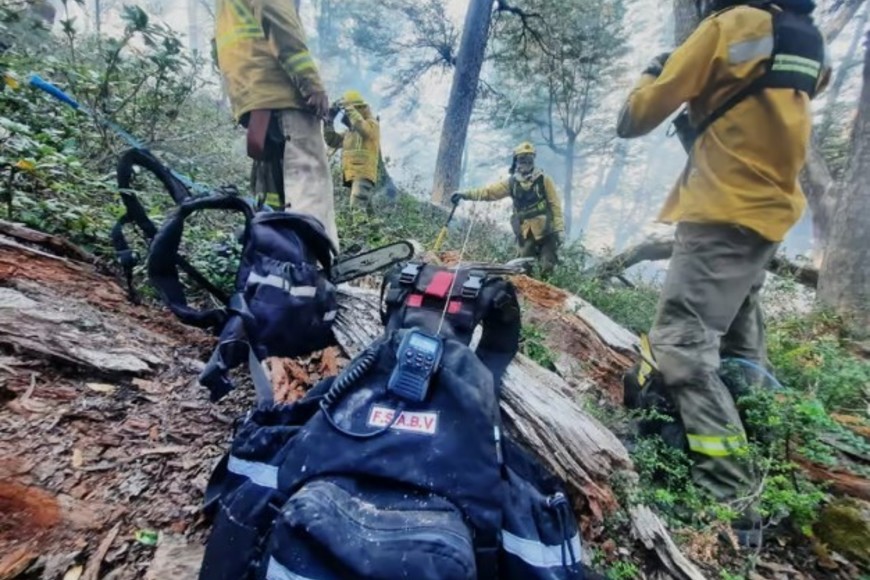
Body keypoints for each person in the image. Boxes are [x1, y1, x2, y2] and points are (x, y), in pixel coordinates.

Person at [615, 0, 828, 544]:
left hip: (719, 215)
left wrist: (654, 69)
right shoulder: (806, 39)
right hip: (768, 216)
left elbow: (634, 119)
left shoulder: (727, 28)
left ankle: (730, 496)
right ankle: (766, 457)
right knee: (739, 349)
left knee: (682, 345)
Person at [214, 0, 339, 249]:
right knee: (308, 184)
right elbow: (283, 28)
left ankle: (270, 256)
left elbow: (216, 49)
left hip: (253, 101)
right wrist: (312, 85)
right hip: (285, 99)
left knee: (271, 189)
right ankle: (309, 266)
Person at [451, 142, 565, 276]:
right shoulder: (512, 183)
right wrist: (464, 194)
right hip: (525, 232)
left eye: (529, 158)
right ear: (516, 161)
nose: (525, 162)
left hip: (547, 230)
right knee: (523, 269)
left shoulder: (544, 180)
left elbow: (555, 205)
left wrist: (559, 229)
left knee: (547, 266)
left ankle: (547, 294)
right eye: (522, 159)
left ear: (533, 160)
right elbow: (489, 192)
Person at [324, 90, 381, 215]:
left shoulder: (372, 125)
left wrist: (348, 108)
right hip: (352, 174)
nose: (345, 117)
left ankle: (359, 233)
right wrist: (328, 120)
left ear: (358, 110)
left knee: (357, 206)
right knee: (365, 209)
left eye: (348, 112)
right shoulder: (350, 133)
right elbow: (332, 140)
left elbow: (364, 130)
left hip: (363, 173)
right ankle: (371, 232)